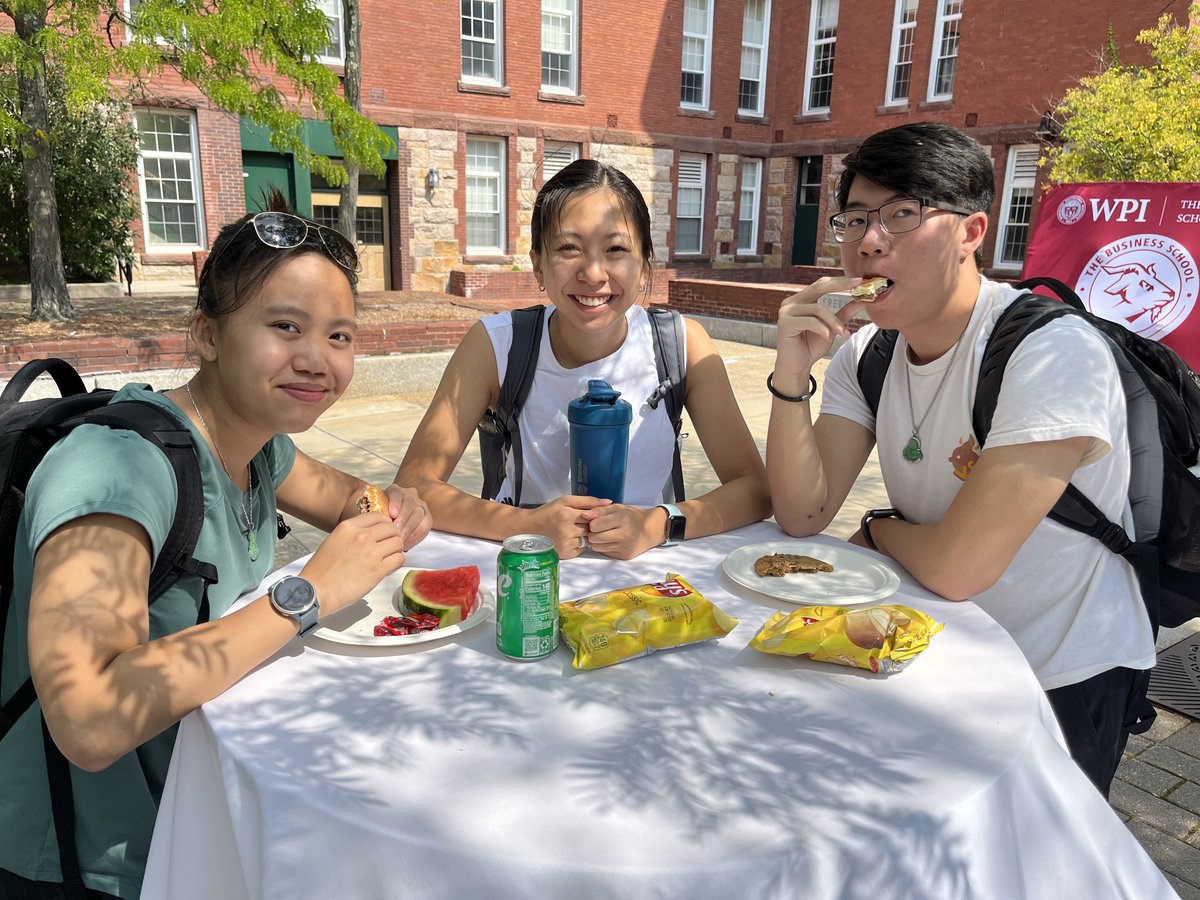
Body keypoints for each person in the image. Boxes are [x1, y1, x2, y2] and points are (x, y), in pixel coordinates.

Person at [0, 191, 432, 898]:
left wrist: (392, 507)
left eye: (340, 336)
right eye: (285, 326)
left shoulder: (262, 449)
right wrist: (310, 590)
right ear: (205, 333)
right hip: (87, 867)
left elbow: (354, 496)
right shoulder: (115, 468)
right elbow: (88, 717)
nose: (316, 360)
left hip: (195, 822)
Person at [765, 122, 1156, 795]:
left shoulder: (1050, 352)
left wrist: (880, 529)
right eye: (855, 218)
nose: (868, 241)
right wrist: (792, 368)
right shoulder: (868, 355)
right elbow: (803, 513)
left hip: (1064, 668)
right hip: (945, 652)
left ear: (972, 232)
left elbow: (957, 566)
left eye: (902, 214)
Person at [395, 159, 770, 560]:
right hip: (528, 573)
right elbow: (414, 486)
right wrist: (526, 526)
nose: (593, 274)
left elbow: (755, 490)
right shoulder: (496, 345)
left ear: (645, 263)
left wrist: (658, 523)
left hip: (647, 582)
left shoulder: (681, 344)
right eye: (569, 248)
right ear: (538, 263)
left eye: (615, 249)